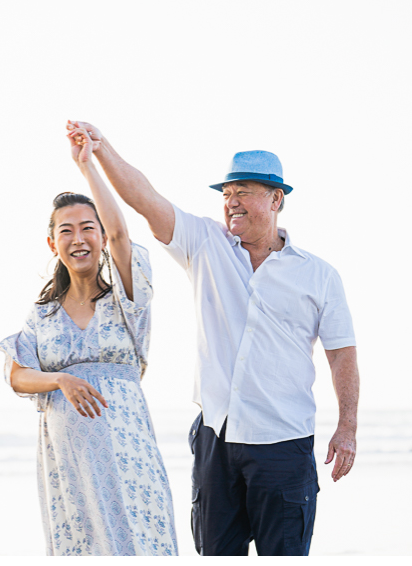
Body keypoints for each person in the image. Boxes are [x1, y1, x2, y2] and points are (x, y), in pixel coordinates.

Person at [68, 121, 359, 558]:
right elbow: (145, 200)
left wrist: (348, 428)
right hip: (215, 443)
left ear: (276, 199)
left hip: (284, 445)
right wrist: (101, 150)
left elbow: (341, 355)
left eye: (243, 191)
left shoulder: (319, 275)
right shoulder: (204, 243)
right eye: (226, 194)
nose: (231, 203)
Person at [0, 125, 178, 557]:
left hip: (127, 454)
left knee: (138, 542)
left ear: (100, 235)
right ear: (52, 242)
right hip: (69, 463)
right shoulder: (43, 315)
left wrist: (88, 166)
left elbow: (121, 236)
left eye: (87, 228)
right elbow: (17, 375)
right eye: (66, 231)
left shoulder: (126, 298)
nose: (78, 238)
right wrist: (60, 381)